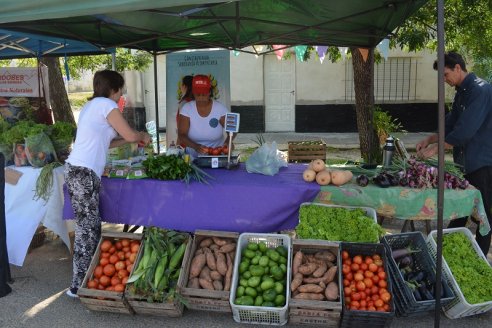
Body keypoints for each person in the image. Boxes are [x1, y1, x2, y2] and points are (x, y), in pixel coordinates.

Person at [64, 70, 151, 298]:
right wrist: (141, 135)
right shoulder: (105, 105)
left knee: (90, 227)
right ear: (114, 89)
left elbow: (108, 142)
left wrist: (135, 138)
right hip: (82, 173)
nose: (121, 94)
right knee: (88, 230)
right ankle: (77, 286)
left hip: (80, 172)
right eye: (121, 89)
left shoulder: (92, 106)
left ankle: (85, 280)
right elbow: (131, 136)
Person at [415, 51, 492, 255]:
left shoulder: (481, 90)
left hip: (482, 163)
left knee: (483, 216)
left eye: (446, 74)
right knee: (462, 208)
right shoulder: (462, 92)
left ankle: (480, 261)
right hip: (465, 162)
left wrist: (435, 149)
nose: (444, 79)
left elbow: (465, 130)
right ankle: (444, 254)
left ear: (458, 68)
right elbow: (449, 123)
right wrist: (429, 139)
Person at [177, 74, 234, 158]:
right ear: (193, 92)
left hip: (217, 155)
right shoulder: (187, 109)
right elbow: (181, 135)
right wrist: (195, 146)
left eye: (204, 93)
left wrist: (227, 142)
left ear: (209, 92)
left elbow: (232, 130)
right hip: (193, 157)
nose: (201, 96)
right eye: (198, 93)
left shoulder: (220, 109)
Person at [176, 75, 194, 147]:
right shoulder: (196, 102)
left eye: (181, 84)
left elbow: (182, 127)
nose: (180, 87)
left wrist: (177, 145)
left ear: (185, 86)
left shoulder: (184, 104)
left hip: (186, 142)